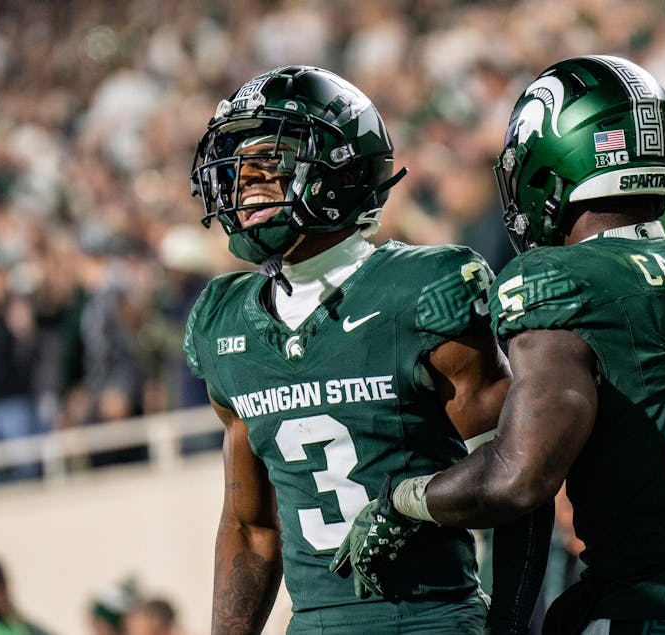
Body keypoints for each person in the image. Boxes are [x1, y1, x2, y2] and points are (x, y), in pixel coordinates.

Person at [337, 55, 665, 635]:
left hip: (643, 615)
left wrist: (405, 499)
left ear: (555, 161)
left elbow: (518, 475)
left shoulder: (557, 279)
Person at [186, 65, 550, 634]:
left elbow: (515, 475)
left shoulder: (421, 290)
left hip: (432, 619)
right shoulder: (222, 321)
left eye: (270, 160)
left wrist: (507, 622)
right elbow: (252, 527)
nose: (244, 179)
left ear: (340, 170)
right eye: (238, 162)